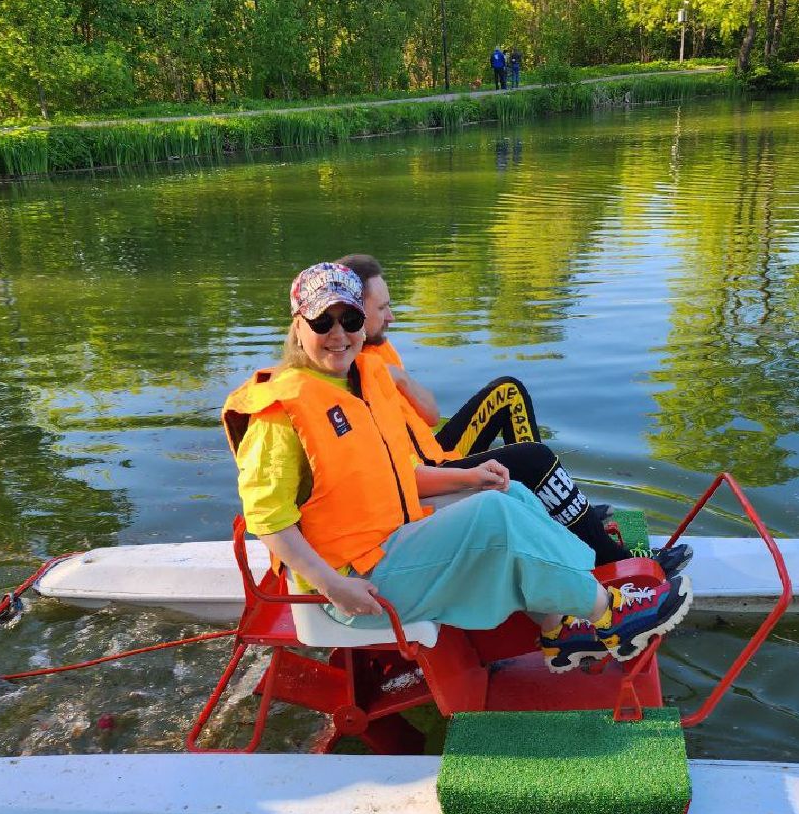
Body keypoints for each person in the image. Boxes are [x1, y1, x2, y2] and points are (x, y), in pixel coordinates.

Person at [222, 262, 692, 672]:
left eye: (350, 317)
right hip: (354, 584)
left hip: (390, 543)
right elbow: (269, 521)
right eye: (323, 320)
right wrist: (335, 587)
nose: (338, 332)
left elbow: (387, 479)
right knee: (496, 517)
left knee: (508, 495)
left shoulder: (359, 382)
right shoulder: (280, 413)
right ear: (298, 325)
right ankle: (611, 614)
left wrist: (470, 476)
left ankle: (560, 626)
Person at [338, 253, 691, 578]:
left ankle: (555, 510)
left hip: (431, 451)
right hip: (422, 478)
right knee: (533, 458)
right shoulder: (348, 382)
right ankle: (609, 560)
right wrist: (473, 476)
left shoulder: (379, 348)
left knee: (508, 392)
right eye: (382, 308)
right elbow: (396, 480)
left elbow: (429, 415)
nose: (392, 316)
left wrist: (399, 378)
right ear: (354, 312)